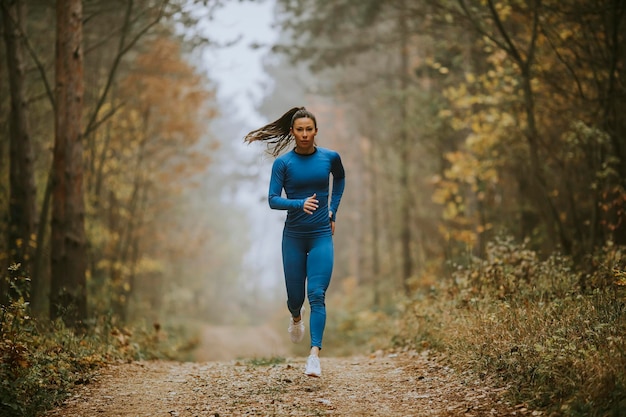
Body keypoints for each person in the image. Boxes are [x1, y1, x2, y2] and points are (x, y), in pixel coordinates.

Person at [244, 106, 346, 377]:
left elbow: (341, 177)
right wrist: (300, 203)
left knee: (317, 294)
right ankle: (295, 317)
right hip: (294, 237)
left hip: (321, 235)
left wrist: (332, 208)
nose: (304, 134)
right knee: (295, 298)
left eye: (308, 129)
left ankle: (314, 356)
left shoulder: (329, 158)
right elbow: (273, 199)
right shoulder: (284, 164)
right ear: (292, 132)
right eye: (299, 129)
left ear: (315, 131)